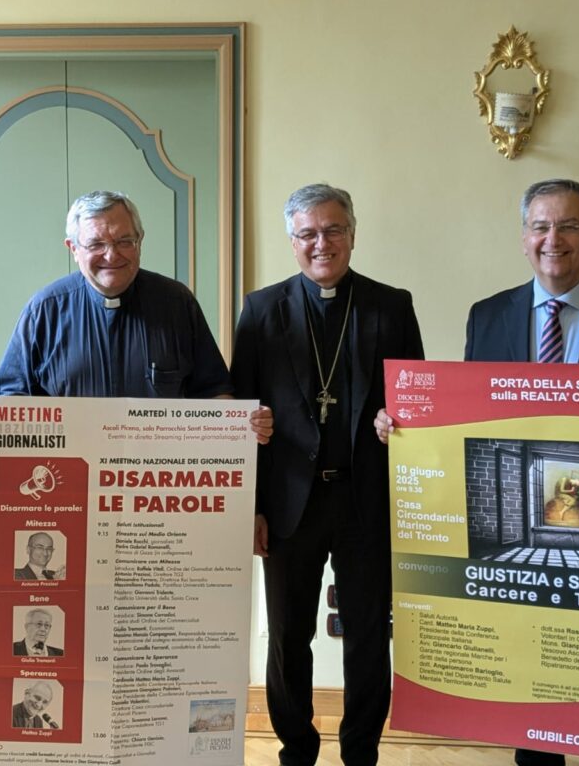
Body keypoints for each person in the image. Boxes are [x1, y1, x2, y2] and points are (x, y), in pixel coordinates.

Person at [376, 178, 579, 766]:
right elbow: (465, 418)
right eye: (541, 226)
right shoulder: (487, 316)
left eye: (569, 225)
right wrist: (405, 428)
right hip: (520, 541)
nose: (554, 239)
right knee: (531, 688)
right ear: (524, 237)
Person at [230, 183, 425, 766]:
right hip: (289, 503)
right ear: (292, 242)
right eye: (308, 233)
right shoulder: (261, 309)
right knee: (289, 636)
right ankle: (296, 749)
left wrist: (399, 420)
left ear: (353, 235)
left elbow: (416, 401)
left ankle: (361, 751)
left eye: (333, 230)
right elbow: (242, 415)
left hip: (366, 499)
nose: (322, 243)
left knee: (368, 635)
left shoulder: (391, 306)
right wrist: (252, 507)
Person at [0, 189, 272, 442]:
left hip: (161, 480)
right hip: (69, 481)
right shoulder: (44, 310)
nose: (112, 255)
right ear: (73, 248)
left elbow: (213, 392)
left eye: (124, 241)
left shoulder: (177, 303)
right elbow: (10, 397)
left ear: (140, 240)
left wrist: (244, 424)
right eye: (96, 244)